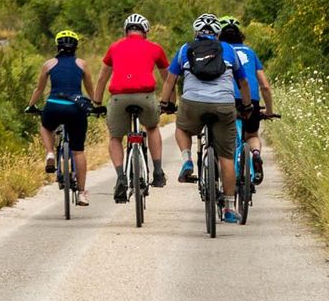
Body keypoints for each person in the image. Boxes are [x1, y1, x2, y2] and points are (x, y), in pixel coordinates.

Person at [160, 12, 253, 224]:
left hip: (193, 103)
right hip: (223, 105)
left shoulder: (185, 49)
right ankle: (229, 207)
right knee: (226, 157)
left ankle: (187, 160)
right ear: (217, 34)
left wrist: (165, 104)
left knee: (182, 128)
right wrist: (246, 106)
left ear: (196, 32)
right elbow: (244, 83)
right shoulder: (228, 50)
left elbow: (170, 81)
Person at [93, 12, 169, 202]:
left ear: (126, 31)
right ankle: (158, 172)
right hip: (145, 96)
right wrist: (170, 102)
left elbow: (102, 78)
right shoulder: (155, 48)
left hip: (118, 98)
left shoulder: (114, 47)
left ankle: (120, 177)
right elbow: (167, 79)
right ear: (146, 31)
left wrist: (96, 103)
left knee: (115, 137)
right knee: (151, 127)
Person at [30, 30, 94, 206]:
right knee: (78, 150)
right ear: (76, 46)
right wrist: (95, 104)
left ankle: (50, 152)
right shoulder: (82, 64)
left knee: (46, 126)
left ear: (57, 46)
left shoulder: (48, 64)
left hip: (54, 105)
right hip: (75, 108)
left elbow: (39, 89)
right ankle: (81, 193)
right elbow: (89, 88)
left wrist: (31, 105)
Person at [219, 17, 275, 184]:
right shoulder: (250, 52)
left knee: (223, 138)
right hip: (251, 99)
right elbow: (265, 86)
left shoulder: (219, 52)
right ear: (240, 35)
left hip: (225, 98)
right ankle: (256, 154)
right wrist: (269, 111)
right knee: (251, 134)